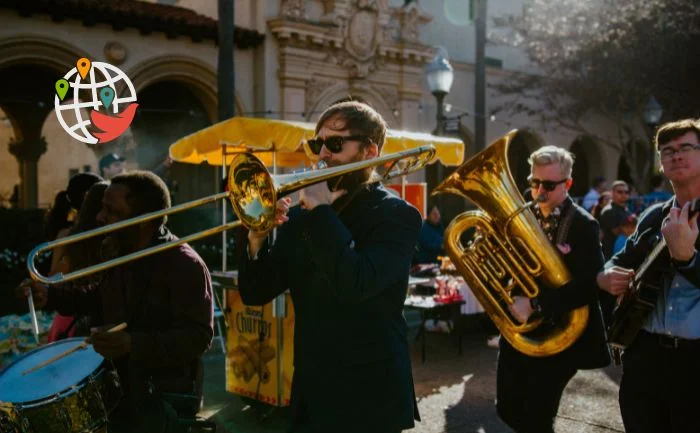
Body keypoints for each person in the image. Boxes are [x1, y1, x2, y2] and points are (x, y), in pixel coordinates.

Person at [237, 101, 422, 433]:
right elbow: (255, 292)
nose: (321, 154)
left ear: (369, 151)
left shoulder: (397, 215)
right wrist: (256, 239)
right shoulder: (302, 216)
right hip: (312, 388)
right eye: (316, 143)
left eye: (335, 144)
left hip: (370, 393)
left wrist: (321, 210)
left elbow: (356, 284)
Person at [25, 171, 213, 433]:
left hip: (162, 402)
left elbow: (199, 335)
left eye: (112, 211)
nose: (100, 217)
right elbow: (98, 297)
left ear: (144, 218)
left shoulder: (184, 264)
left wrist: (132, 343)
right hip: (120, 394)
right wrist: (51, 294)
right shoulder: (121, 252)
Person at [496, 146, 611, 433]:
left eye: (548, 185)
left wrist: (535, 304)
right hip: (522, 331)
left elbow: (591, 285)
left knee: (536, 417)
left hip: (561, 334)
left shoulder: (584, 224)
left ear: (567, 184)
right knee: (507, 408)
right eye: (534, 183)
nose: (539, 191)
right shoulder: (522, 214)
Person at [597, 118, 700, 433]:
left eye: (686, 148)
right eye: (667, 151)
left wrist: (688, 260)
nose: (675, 155)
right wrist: (605, 276)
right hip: (643, 358)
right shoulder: (654, 216)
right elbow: (618, 259)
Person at [47, 181, 109, 342]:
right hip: (84, 320)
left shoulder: (70, 237)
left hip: (70, 318)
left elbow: (53, 280)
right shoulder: (115, 240)